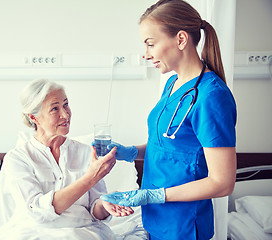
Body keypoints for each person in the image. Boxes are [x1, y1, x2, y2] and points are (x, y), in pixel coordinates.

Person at [100, 0, 237, 239]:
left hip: (184, 225)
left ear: (181, 39)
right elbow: (167, 147)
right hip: (156, 220)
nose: (146, 54)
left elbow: (222, 182)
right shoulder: (174, 84)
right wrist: (130, 152)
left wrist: (155, 195)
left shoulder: (211, 97)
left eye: (151, 44)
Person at [0, 79, 134, 240]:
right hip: (33, 232)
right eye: (55, 109)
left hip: (81, 231)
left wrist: (105, 205)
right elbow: (37, 211)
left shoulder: (86, 152)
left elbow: (95, 210)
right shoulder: (18, 158)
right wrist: (90, 178)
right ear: (33, 117)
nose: (66, 115)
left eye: (66, 105)